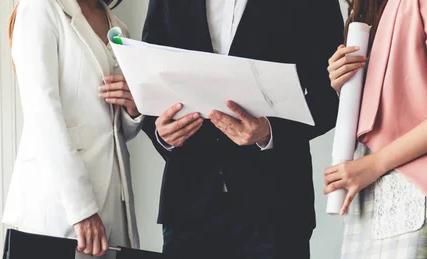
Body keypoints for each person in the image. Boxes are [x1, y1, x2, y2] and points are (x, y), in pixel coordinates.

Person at [141, 0, 344, 258]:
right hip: (188, 205)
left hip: (277, 205)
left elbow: (333, 95)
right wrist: (162, 134)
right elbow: (146, 77)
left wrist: (270, 131)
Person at [2, 0, 143, 258]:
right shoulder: (40, 8)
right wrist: (82, 209)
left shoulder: (117, 26)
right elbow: (42, 113)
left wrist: (133, 108)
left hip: (114, 200)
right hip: (60, 205)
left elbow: (117, 130)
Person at [324, 0, 427, 258]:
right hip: (370, 187)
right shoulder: (369, 9)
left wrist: (374, 164)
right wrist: (343, 85)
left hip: (410, 183)